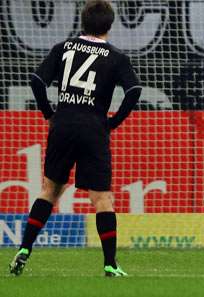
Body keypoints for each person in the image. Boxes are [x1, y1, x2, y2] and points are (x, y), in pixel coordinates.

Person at [9, 0, 141, 277]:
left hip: (63, 124)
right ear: (109, 25)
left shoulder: (64, 48)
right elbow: (133, 91)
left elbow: (35, 80)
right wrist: (112, 122)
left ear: (83, 22)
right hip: (94, 128)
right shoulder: (116, 57)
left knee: (49, 191)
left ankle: (24, 249)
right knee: (102, 198)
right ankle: (109, 264)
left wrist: (49, 114)